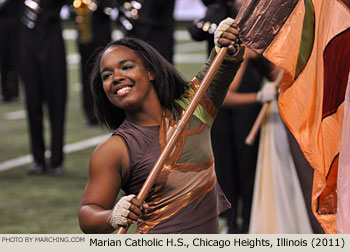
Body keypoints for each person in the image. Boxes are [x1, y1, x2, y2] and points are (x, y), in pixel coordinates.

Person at [78, 18, 244, 234]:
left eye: (126, 67)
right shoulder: (114, 149)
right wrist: (111, 216)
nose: (116, 77)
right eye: (106, 76)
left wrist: (227, 42)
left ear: (150, 72)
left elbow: (223, 61)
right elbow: (88, 213)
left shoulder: (193, 109)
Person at [19, 0, 68, 175]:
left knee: (56, 102)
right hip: (26, 37)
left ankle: (56, 160)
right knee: (32, 103)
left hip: (52, 36)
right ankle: (38, 160)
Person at [73, 0, 113, 126]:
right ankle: (90, 112)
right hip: (84, 28)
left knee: (104, 70)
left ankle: (105, 111)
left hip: (101, 28)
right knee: (85, 71)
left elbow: (110, 6)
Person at [0, 0, 20, 103]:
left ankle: (15, 92)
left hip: (14, 22)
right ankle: (5, 92)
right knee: (3, 59)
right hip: (2, 23)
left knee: (14, 58)